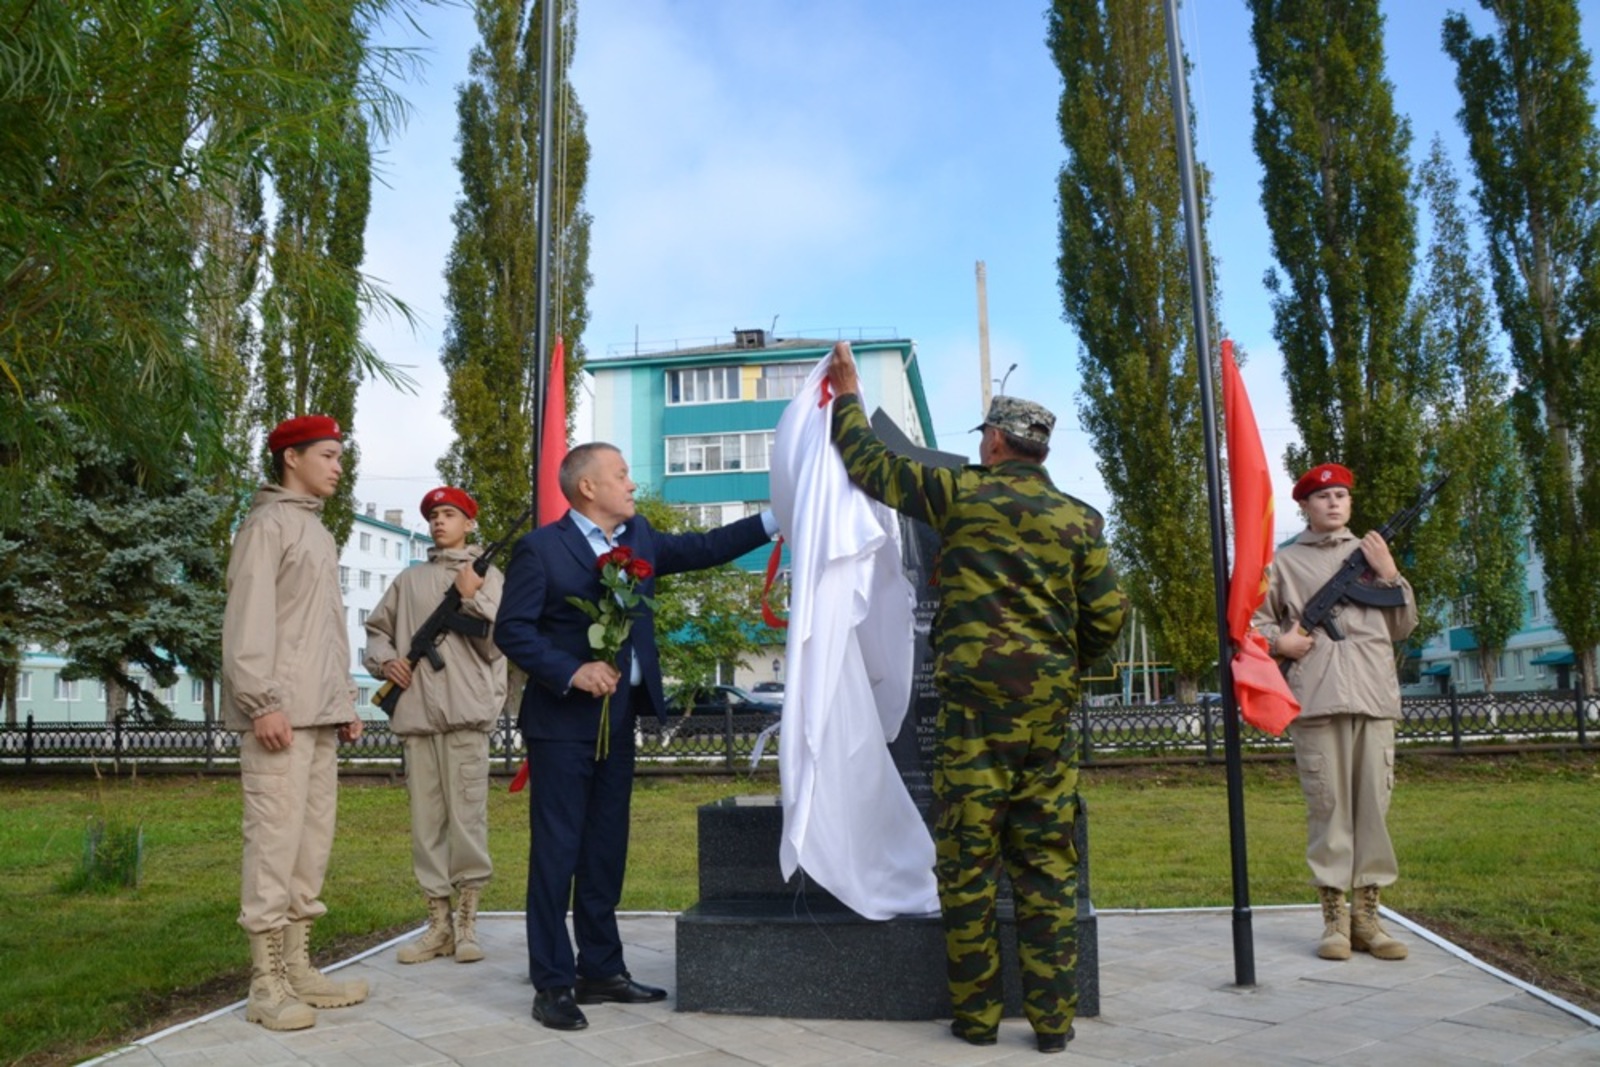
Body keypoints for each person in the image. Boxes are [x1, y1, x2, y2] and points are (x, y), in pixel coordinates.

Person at [824, 342, 1127, 1055]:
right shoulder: (1080, 520)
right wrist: (1062, 668)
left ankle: (977, 1019)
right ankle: (1054, 1023)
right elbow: (1108, 615)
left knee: (967, 864)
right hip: (1048, 720)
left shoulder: (961, 492)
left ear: (994, 440)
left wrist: (845, 396)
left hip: (973, 720)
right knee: (1049, 862)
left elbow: (870, 466)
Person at [495, 442, 778, 1031]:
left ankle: (601, 969)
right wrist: (571, 671)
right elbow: (512, 631)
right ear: (587, 488)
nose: (632, 485)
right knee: (557, 854)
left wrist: (776, 519)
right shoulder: (541, 549)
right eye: (621, 475)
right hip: (563, 727)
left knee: (604, 849)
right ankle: (552, 981)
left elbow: (703, 549)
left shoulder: (638, 538)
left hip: (619, 722)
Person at [222, 414, 369, 1032]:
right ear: (291, 457)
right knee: (274, 842)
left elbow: (320, 633)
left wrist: (343, 704)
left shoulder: (314, 530)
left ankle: (299, 965)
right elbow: (248, 620)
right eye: (329, 455)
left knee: (310, 844)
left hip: (316, 716)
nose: (338, 466)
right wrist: (262, 703)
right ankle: (265, 982)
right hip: (278, 717)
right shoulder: (268, 526)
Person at [1253, 462, 1417, 962]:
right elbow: (1252, 624)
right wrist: (1279, 641)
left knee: (1373, 809)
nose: (1334, 503)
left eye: (1342, 496)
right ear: (1304, 505)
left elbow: (1404, 625)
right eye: (1323, 497)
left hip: (1373, 698)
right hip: (1316, 701)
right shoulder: (1283, 564)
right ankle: (1334, 921)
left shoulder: (1371, 556)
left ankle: (1368, 919)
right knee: (1329, 812)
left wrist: (1390, 575)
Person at [365, 486, 507, 966]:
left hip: (465, 717)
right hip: (418, 719)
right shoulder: (409, 582)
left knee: (467, 821)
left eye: (450, 514)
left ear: (469, 523)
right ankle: (438, 925)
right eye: (433, 516)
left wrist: (469, 599)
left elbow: (497, 643)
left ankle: (468, 923)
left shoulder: (488, 578)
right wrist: (386, 664)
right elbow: (376, 632)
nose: (439, 523)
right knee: (427, 828)